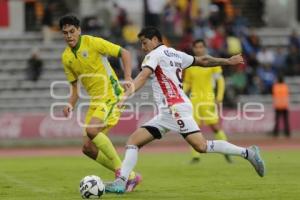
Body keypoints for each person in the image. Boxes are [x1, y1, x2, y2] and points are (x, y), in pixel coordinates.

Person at [105, 27, 265, 193]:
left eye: (144, 43)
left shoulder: (153, 55)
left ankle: (248, 153)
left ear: (154, 40)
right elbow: (203, 61)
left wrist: (125, 95)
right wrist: (227, 61)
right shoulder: (175, 53)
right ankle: (121, 182)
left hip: (175, 108)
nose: (143, 47)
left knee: (201, 146)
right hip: (169, 111)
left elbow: (143, 76)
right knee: (133, 141)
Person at [59, 15, 141, 192]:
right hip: (95, 102)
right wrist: (70, 105)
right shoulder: (66, 57)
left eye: (72, 31)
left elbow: (124, 53)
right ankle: (131, 176)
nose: (69, 36)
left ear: (79, 30)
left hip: (111, 95)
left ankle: (122, 174)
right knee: (87, 148)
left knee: (91, 130)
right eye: (65, 33)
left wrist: (127, 77)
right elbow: (75, 90)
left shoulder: (93, 42)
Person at [183, 39, 231, 163]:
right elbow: (188, 83)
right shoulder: (190, 64)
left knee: (215, 127)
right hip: (194, 100)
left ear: (204, 48)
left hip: (208, 99)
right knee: (192, 128)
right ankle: (195, 156)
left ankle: (227, 152)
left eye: (201, 47)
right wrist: (180, 93)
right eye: (196, 47)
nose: (198, 49)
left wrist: (219, 97)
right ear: (193, 49)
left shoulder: (212, 62)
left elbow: (220, 80)